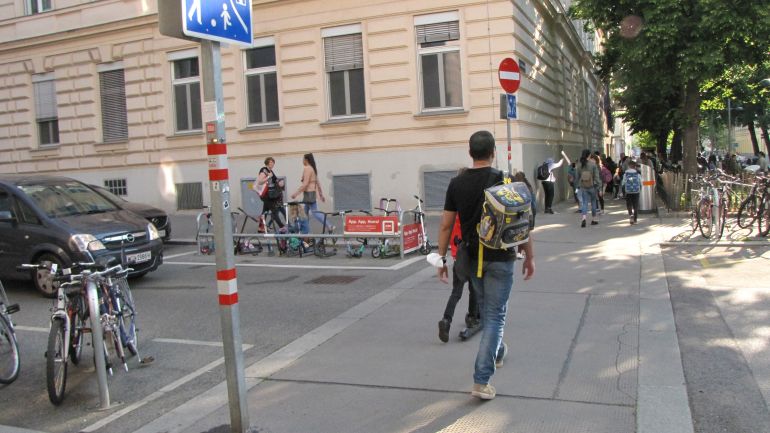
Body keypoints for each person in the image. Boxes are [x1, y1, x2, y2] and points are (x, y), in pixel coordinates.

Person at [435, 130, 535, 400]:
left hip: (470, 260)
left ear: (470, 153)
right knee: (495, 316)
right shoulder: (505, 180)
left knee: (490, 313)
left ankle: (498, 352)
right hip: (501, 258)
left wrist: (441, 259)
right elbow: (522, 223)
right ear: (493, 152)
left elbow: (445, 225)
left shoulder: (457, 184)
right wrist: (530, 256)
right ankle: (481, 380)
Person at [437, 213, 480, 343]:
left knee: (456, 293)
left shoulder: (454, 216)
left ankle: (446, 320)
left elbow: (446, 229)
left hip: (458, 258)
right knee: (474, 289)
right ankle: (472, 317)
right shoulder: (472, 214)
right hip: (472, 256)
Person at [290, 153, 334, 233]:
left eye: (303, 159)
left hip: (309, 194)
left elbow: (305, 183)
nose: (302, 161)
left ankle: (329, 225)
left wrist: (296, 193)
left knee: (315, 213)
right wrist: (321, 194)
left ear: (306, 160)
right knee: (304, 213)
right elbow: (318, 182)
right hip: (311, 193)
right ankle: (302, 230)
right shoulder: (313, 168)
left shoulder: (307, 168)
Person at [255, 157, 286, 228]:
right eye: (271, 162)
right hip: (266, 195)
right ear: (267, 163)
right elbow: (260, 181)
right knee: (274, 211)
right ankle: (282, 227)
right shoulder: (264, 170)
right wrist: (268, 177)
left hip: (269, 195)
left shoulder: (270, 171)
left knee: (264, 211)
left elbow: (275, 179)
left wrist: (280, 182)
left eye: (273, 162)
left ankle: (261, 227)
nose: (272, 164)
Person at [575, 149, 601, 227]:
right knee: (593, 202)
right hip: (592, 186)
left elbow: (577, 177)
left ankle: (584, 218)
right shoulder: (593, 164)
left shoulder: (579, 165)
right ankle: (593, 219)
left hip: (583, 186)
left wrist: (577, 186)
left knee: (585, 203)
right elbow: (596, 177)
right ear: (589, 155)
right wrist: (599, 186)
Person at [621, 160, 641, 224]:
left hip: (628, 191)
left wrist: (623, 191)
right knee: (636, 205)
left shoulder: (625, 174)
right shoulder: (637, 174)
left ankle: (631, 214)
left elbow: (623, 183)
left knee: (629, 204)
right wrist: (640, 189)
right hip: (636, 191)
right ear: (634, 167)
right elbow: (641, 183)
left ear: (629, 166)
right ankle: (635, 220)